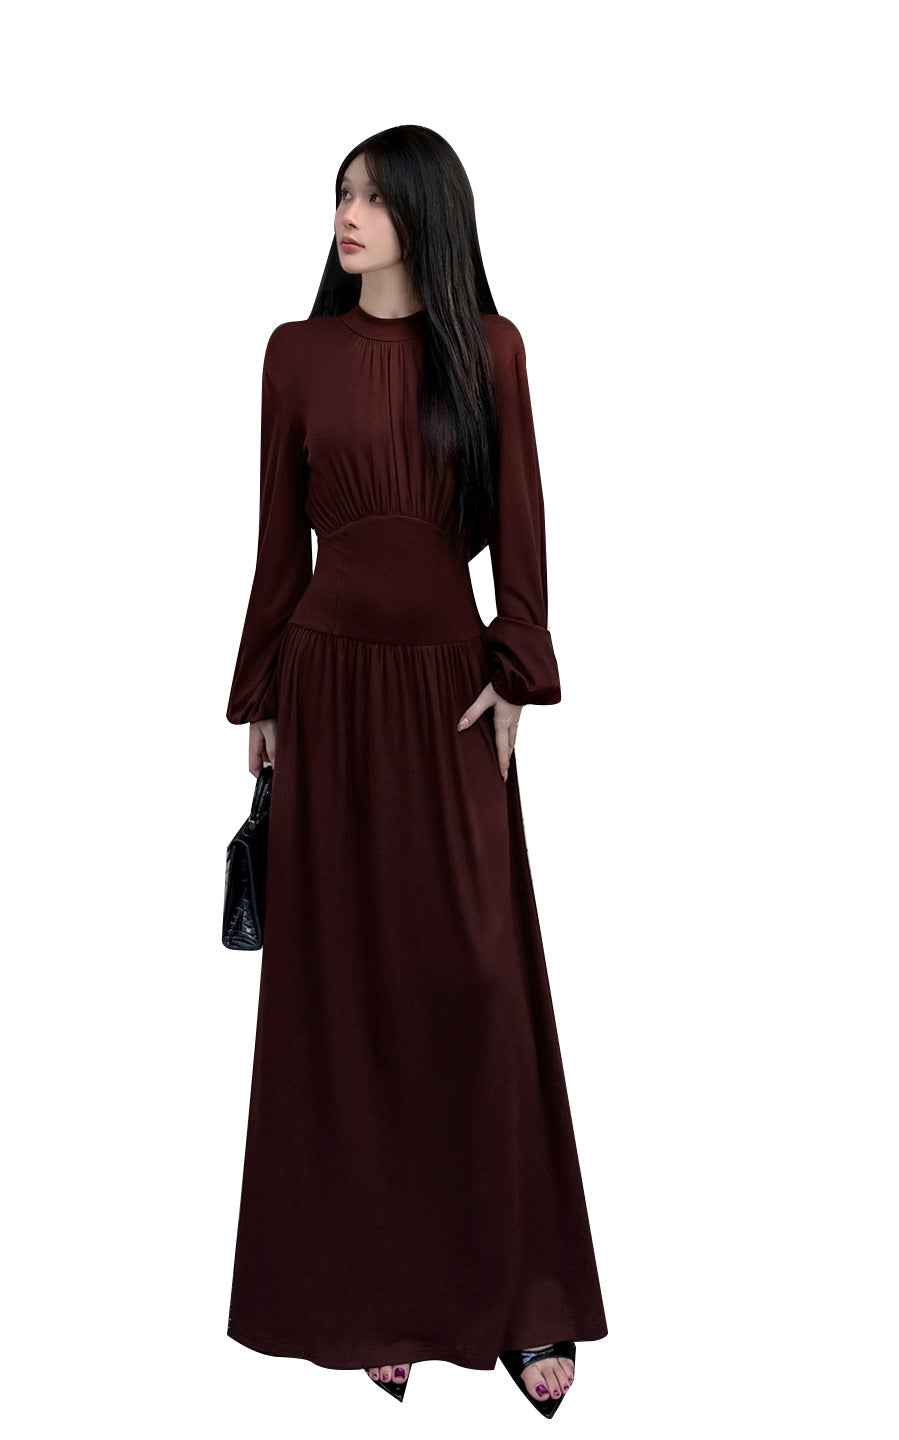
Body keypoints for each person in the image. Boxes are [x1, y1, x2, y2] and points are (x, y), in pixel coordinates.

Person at [224, 124, 607, 1418]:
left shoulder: (489, 351)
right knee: (346, 995)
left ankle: (525, 1293)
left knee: (477, 983)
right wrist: (260, 698)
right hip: (327, 692)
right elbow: (277, 547)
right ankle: (371, 1292)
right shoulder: (294, 354)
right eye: (343, 192)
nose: (350, 213)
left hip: (447, 698)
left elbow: (523, 523)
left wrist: (517, 668)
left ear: (427, 215)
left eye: (376, 198)